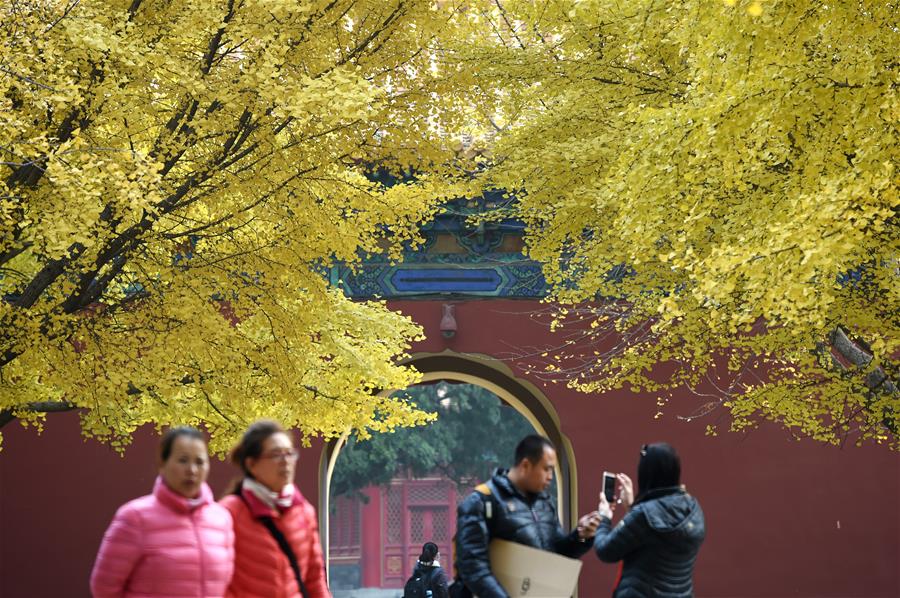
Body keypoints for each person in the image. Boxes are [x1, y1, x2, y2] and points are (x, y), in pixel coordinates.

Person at [90, 426, 235, 597]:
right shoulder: (134, 518)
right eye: (183, 460)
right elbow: (104, 588)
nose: (192, 470)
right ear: (162, 464)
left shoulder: (221, 519)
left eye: (200, 462)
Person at [454, 434, 602, 598]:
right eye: (546, 469)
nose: (550, 477)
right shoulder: (482, 501)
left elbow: (557, 554)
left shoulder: (545, 503)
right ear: (525, 465)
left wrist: (581, 536)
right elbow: (472, 566)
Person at [220, 420, 330, 598]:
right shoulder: (230, 513)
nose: (285, 461)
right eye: (276, 454)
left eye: (289, 454)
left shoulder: (303, 511)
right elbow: (219, 581)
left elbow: (314, 578)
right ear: (251, 464)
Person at [594, 443, 705, 598]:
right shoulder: (693, 509)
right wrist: (632, 508)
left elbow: (605, 550)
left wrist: (604, 517)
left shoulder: (643, 515)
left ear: (646, 474)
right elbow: (655, 534)